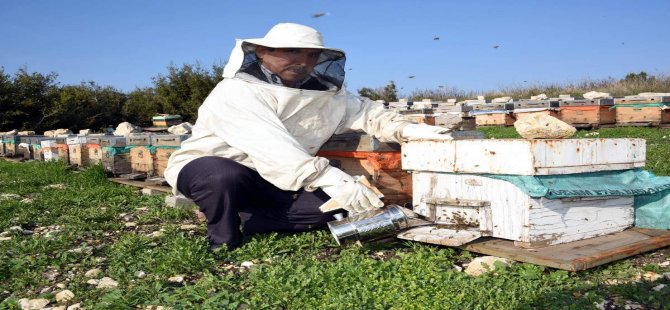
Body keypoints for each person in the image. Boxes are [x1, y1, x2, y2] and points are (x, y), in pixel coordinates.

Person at [164, 23, 451, 250]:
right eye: (292, 51)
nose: (302, 61)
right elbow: (270, 145)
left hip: (274, 177)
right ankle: (222, 239)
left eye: (311, 55)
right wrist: (331, 178)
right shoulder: (235, 91)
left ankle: (245, 217)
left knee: (324, 210)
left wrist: (407, 129)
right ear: (262, 52)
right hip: (213, 165)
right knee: (223, 177)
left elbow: (367, 112)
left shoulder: (326, 92)